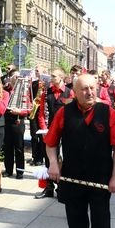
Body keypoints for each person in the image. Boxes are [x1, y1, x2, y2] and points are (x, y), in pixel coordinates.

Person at [45, 73, 115, 228]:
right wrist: (53, 164)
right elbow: (51, 143)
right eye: (84, 89)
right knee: (76, 221)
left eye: (92, 88)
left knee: (101, 221)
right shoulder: (64, 113)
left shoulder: (107, 112)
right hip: (72, 177)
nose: (90, 92)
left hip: (101, 177)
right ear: (75, 92)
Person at [35, 68, 74, 199]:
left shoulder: (70, 93)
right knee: (48, 159)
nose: (51, 78)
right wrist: (44, 129)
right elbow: (41, 112)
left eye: (54, 76)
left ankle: (63, 188)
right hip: (50, 129)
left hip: (66, 130)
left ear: (61, 77)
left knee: (64, 158)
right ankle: (49, 187)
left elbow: (74, 112)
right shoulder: (47, 93)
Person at [2, 69, 30, 179]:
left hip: (18, 121)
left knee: (19, 147)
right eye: (14, 76)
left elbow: (29, 109)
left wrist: (20, 112)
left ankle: (20, 171)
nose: (16, 78)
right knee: (7, 147)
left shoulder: (24, 91)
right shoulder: (5, 90)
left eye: (18, 76)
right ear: (9, 78)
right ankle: (8, 170)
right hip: (6, 120)